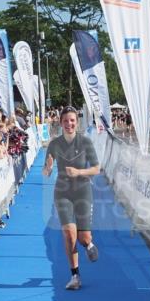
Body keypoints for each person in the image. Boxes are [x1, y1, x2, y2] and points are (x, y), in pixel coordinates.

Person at [42, 108, 101, 290]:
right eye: (66, 121)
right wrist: (49, 168)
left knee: (83, 237)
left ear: (77, 122)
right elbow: (45, 172)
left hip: (83, 191)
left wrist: (79, 172)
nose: (69, 124)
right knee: (69, 235)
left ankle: (88, 243)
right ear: (60, 123)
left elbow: (97, 168)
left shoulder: (85, 142)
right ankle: (75, 276)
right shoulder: (54, 144)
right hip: (62, 192)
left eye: (72, 121)